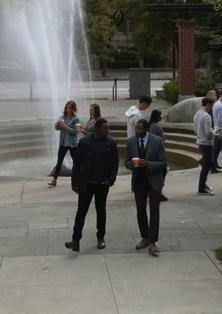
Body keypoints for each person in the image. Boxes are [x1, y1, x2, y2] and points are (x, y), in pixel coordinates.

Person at [65, 118, 118, 252]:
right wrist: (74, 182)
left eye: (108, 128)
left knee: (101, 211)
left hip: (102, 184)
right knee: (81, 212)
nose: (107, 130)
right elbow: (77, 164)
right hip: (86, 184)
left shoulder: (111, 143)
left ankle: (101, 238)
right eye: (105, 128)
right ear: (97, 129)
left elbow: (115, 164)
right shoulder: (85, 142)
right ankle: (75, 240)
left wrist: (110, 180)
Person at [125, 119, 168, 257]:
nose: (136, 131)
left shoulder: (157, 141)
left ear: (146, 129)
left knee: (154, 210)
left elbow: (163, 163)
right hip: (139, 181)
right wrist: (132, 164)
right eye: (136, 129)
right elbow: (126, 162)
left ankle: (153, 241)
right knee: (140, 210)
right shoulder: (131, 142)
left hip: (154, 180)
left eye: (139, 129)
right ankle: (145, 237)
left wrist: (148, 164)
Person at [49, 100, 83, 188]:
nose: (68, 109)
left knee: (76, 162)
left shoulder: (77, 119)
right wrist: (58, 124)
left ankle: (79, 179)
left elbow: (76, 132)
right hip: (63, 143)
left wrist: (65, 127)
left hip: (72, 144)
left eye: (70, 108)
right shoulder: (62, 117)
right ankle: (54, 180)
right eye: (67, 108)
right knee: (59, 161)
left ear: (73, 109)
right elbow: (56, 127)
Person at [194, 97, 216, 195]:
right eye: (211, 105)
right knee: (207, 165)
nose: (212, 108)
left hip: (200, 141)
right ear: (207, 104)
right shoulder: (207, 116)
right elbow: (208, 133)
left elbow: (195, 129)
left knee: (208, 163)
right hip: (206, 143)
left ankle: (203, 185)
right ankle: (202, 187)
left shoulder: (197, 114)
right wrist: (215, 132)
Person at [148, 109, 169, 202]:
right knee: (162, 173)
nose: (162, 116)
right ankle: (157, 193)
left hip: (156, 153)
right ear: (157, 116)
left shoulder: (152, 126)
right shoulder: (156, 127)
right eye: (160, 115)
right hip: (158, 154)